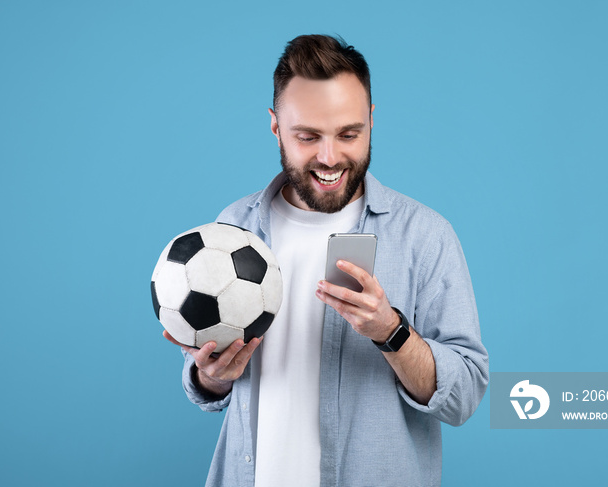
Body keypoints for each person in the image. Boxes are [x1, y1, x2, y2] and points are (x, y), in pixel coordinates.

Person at [164, 34, 489, 487]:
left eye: (349, 134)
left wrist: (391, 333)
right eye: (308, 136)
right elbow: (206, 383)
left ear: (371, 122)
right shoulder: (233, 226)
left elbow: (464, 397)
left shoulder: (424, 236)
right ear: (276, 127)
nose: (330, 157)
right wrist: (210, 375)